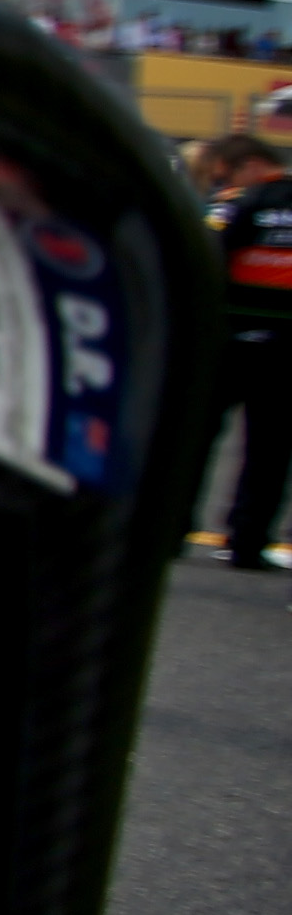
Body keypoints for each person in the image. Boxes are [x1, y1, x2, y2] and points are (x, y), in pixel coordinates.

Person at [205, 108, 292, 569]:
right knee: (270, 449)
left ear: (249, 166)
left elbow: (207, 260)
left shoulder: (239, 203)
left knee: (198, 439)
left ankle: (171, 531)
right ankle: (247, 542)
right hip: (285, 347)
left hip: (229, 339)